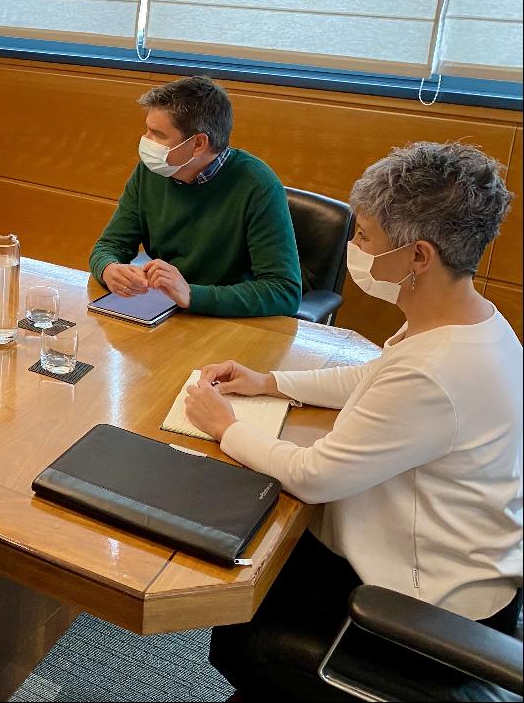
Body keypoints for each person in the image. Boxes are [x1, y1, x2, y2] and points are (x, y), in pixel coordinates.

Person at [182, 142, 521, 698]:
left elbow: (317, 475)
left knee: (246, 569)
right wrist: (271, 383)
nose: (352, 248)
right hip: (453, 570)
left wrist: (226, 427)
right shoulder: (470, 323)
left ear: (418, 257)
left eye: (363, 237)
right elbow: (375, 378)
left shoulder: (439, 372)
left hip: (420, 618)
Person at [89, 75, 302, 317]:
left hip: (229, 322)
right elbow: (109, 245)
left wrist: (191, 295)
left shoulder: (258, 185)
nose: (146, 142)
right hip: (164, 312)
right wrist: (109, 269)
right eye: (147, 130)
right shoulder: (150, 172)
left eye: (158, 135)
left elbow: (284, 291)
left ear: (198, 144)